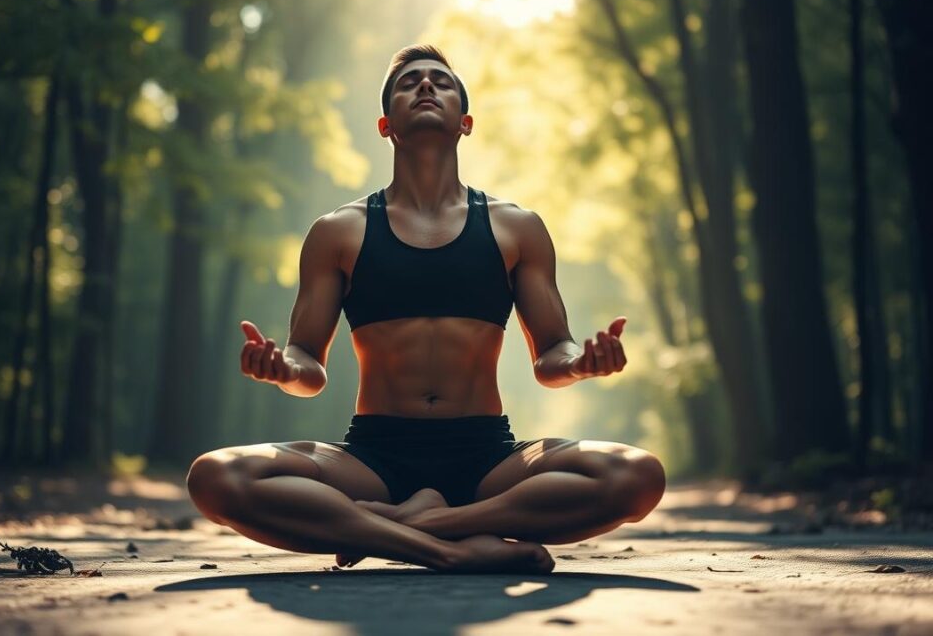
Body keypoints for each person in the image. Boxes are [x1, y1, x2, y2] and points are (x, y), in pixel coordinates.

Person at [186, 44, 665, 574]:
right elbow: (308, 365)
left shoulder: (517, 227)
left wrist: (581, 362)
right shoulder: (337, 231)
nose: (426, 86)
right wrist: (283, 369)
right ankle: (449, 550)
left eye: (441, 80)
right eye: (409, 82)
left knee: (638, 475)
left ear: (466, 121)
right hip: (372, 459)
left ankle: (411, 524)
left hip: (488, 457)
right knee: (214, 477)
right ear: (386, 124)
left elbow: (552, 353)